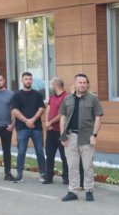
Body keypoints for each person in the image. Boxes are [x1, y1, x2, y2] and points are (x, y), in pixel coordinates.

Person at [60, 74, 103, 202]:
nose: (82, 85)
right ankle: (72, 191)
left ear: (87, 84)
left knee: (87, 165)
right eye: (80, 82)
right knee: (72, 165)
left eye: (85, 82)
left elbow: (98, 118)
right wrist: (62, 136)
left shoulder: (93, 99)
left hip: (87, 136)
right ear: (75, 83)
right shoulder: (68, 99)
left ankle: (89, 190)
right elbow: (63, 117)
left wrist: (94, 135)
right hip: (70, 136)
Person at [10, 71, 46, 182]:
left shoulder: (37, 94)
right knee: (21, 151)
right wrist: (26, 121)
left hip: (37, 127)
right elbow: (15, 111)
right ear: (22, 80)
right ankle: (19, 175)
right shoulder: (17, 95)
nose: (28, 81)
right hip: (22, 128)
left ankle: (43, 174)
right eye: (26, 79)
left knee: (40, 151)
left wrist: (33, 120)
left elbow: (41, 108)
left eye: (30, 79)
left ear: (32, 80)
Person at [42, 77, 69, 185]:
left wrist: (50, 122)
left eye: (51, 85)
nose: (51, 87)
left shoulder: (66, 97)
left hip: (60, 130)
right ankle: (49, 177)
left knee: (64, 156)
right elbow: (47, 110)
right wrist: (46, 123)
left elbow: (62, 113)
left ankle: (66, 178)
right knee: (49, 155)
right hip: (51, 130)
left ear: (56, 85)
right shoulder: (52, 97)